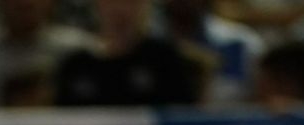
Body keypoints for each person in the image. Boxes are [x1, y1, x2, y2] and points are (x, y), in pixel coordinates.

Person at [56, 0, 204, 105]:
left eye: (129, 1)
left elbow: (183, 119)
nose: (120, 9)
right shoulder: (75, 67)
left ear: (144, 5)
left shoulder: (164, 59)